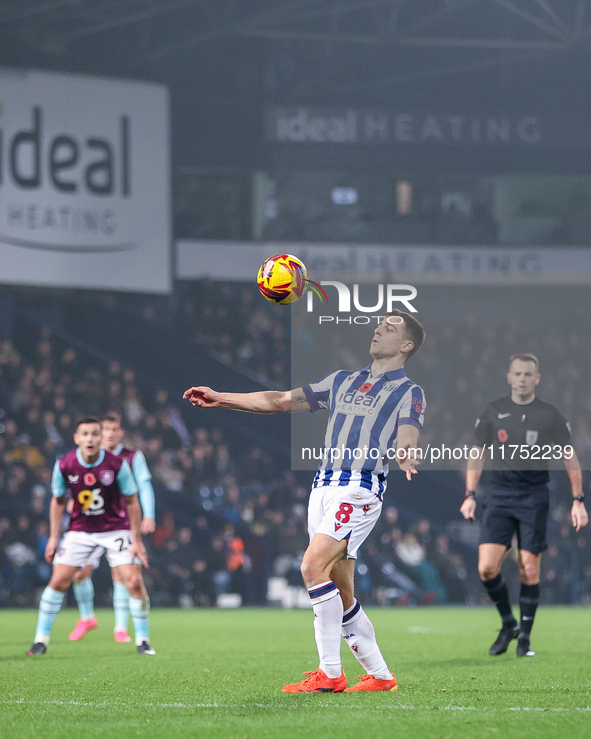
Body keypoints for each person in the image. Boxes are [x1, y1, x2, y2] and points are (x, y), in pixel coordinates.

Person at [184, 309, 426, 693]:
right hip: (322, 488)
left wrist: (407, 450)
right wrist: (221, 398)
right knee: (339, 588)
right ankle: (381, 677)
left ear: (407, 345)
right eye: (379, 324)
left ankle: (330, 672)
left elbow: (409, 431)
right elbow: (280, 400)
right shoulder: (342, 381)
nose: (379, 329)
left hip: (359, 489)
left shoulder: (409, 391)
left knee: (311, 568)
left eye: (390, 328)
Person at [460, 353, 588, 658]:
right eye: (517, 373)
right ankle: (508, 623)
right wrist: (470, 495)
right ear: (509, 377)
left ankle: (525, 640)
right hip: (500, 497)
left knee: (529, 568)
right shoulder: (493, 411)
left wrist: (578, 500)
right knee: (487, 568)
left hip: (533, 498)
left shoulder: (550, 415)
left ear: (537, 379)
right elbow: (476, 454)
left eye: (528, 374)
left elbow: (569, 456)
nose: (522, 379)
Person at [27, 417, 155, 656]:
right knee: (57, 582)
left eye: (94, 434)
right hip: (80, 531)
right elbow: (57, 501)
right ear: (76, 438)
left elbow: (132, 500)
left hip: (116, 529)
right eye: (85, 434)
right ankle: (40, 640)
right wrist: (54, 537)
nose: (90, 439)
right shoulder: (64, 464)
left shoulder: (117, 464)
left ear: (100, 439)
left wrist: (136, 539)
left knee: (134, 581)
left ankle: (143, 640)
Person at [68, 412, 156, 643]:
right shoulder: (91, 455)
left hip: (121, 524)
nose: (109, 434)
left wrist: (149, 514)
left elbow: (144, 486)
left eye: (113, 429)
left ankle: (120, 628)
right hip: (90, 524)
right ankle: (87, 617)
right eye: (105, 429)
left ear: (120, 432)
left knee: (123, 575)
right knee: (80, 572)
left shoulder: (131, 456)